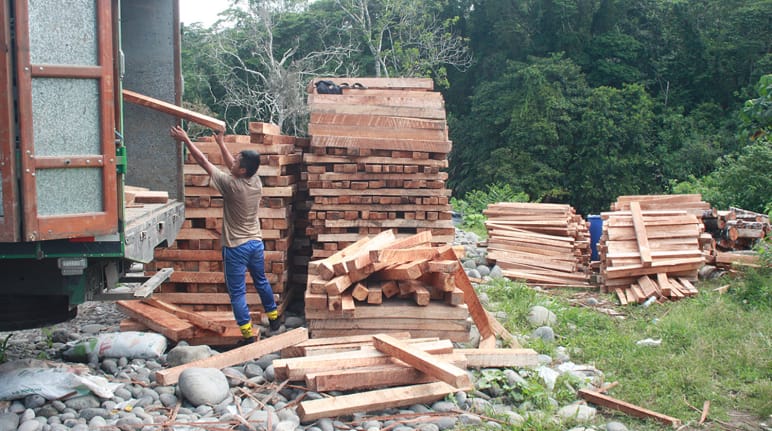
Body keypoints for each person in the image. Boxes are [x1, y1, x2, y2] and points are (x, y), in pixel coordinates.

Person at [170, 125, 280, 344]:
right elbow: (233, 166)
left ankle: (248, 336)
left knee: (237, 293)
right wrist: (220, 143)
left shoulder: (231, 185)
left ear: (242, 171)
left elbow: (204, 162)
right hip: (255, 243)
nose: (234, 162)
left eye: (238, 161)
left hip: (236, 247)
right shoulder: (255, 181)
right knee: (260, 281)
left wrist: (186, 140)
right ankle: (274, 319)